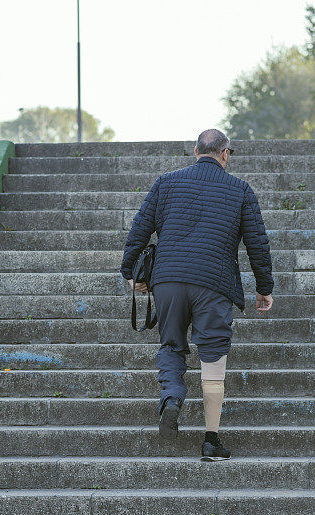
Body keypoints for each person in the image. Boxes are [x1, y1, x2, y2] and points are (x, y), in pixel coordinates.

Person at [120, 128, 274, 461]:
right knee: (213, 357)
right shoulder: (240, 190)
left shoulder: (165, 183)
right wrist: (264, 288)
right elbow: (257, 244)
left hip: (169, 281)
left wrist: (129, 272)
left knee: (172, 344)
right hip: (213, 283)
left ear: (195, 152)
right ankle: (211, 440)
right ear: (225, 154)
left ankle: (172, 395)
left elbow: (139, 229)